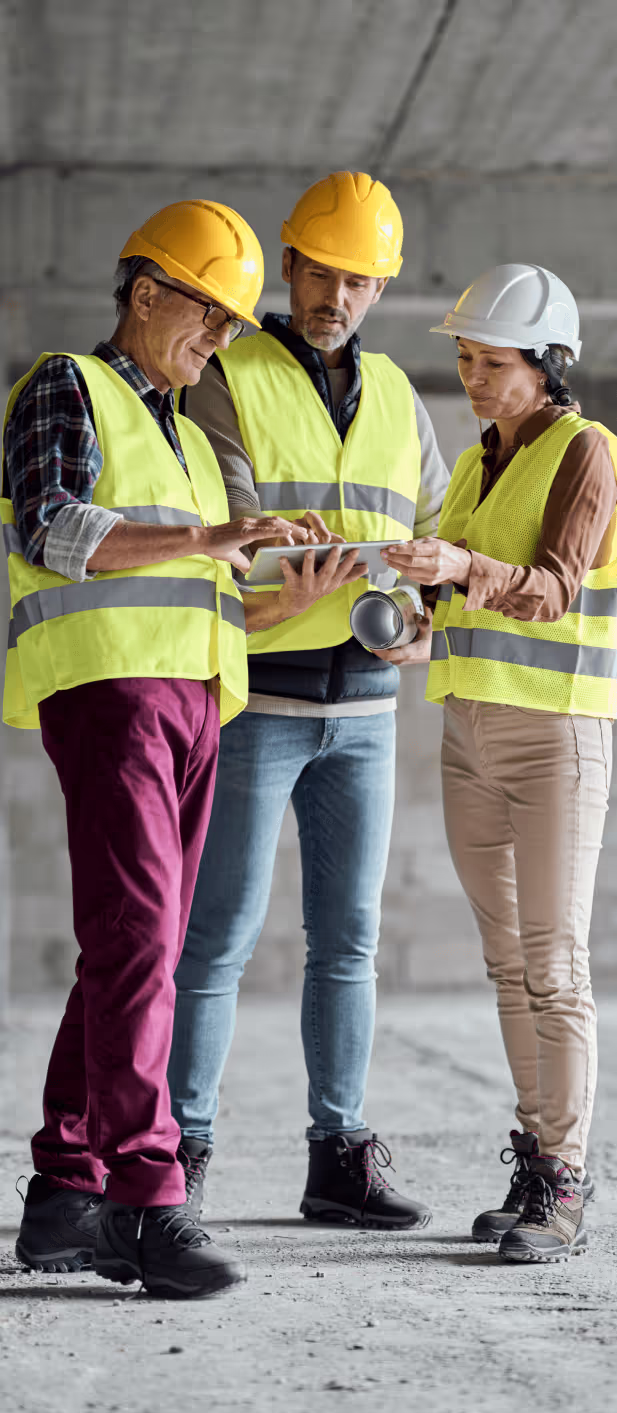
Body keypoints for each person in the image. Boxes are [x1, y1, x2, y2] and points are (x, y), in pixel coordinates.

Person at [2, 200, 365, 1299]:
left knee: (130, 942)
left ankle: (65, 1188)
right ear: (147, 290)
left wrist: (279, 585)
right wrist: (212, 537)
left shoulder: (189, 435)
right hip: (111, 691)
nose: (220, 337)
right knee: (142, 941)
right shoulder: (68, 382)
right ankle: (143, 1198)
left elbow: (201, 587)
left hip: (197, 700)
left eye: (228, 321)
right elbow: (50, 527)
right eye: (206, 312)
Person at [168, 171, 449, 1229]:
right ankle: (179, 1152)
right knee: (220, 936)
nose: (339, 293)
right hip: (259, 699)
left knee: (348, 938)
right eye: (323, 271)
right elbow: (228, 531)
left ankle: (337, 1153)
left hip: (367, 707)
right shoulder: (225, 377)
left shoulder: (397, 399)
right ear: (288, 265)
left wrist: (427, 602)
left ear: (380, 288)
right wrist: (294, 582)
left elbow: (429, 523)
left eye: (360, 279)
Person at [381, 263, 617, 1263]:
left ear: (547, 364)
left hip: (552, 733)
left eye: (493, 363)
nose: (474, 379)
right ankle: (532, 1153)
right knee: (506, 965)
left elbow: (554, 589)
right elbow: (467, 602)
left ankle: (562, 1177)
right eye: (465, 360)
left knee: (554, 962)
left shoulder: (585, 451)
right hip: (467, 733)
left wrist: (458, 568)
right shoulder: (476, 466)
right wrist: (416, 624)